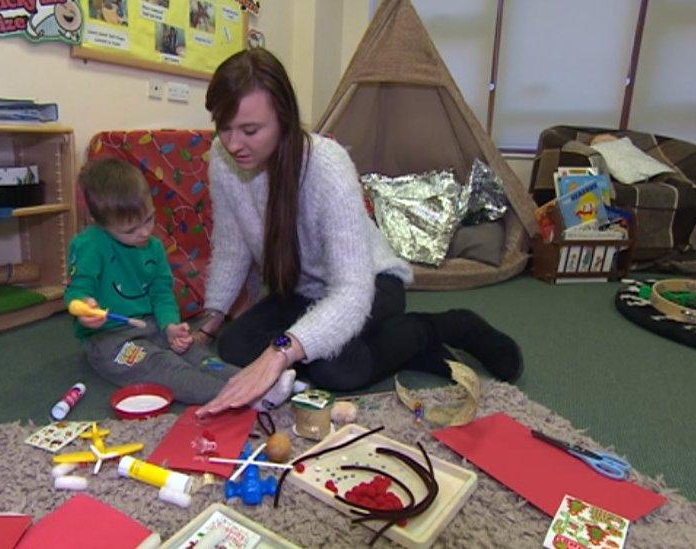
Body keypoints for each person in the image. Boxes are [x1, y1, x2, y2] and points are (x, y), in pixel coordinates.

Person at [194, 48, 523, 417]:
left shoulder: (326, 165)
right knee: (234, 345)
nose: (234, 143)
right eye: (224, 128)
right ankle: (348, 340)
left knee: (335, 367)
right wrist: (209, 322)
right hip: (304, 291)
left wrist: (281, 351)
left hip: (372, 283)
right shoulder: (222, 161)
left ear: (284, 118)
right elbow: (232, 247)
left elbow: (352, 291)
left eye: (250, 130)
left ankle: (434, 329)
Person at [65, 157, 296, 407]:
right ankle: (246, 398)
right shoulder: (88, 245)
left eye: (149, 220)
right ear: (101, 224)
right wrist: (83, 306)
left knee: (197, 355)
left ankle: (262, 382)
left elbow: (161, 293)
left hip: (151, 326)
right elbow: (77, 290)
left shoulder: (152, 247)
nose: (144, 232)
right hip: (109, 340)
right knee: (165, 367)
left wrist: (171, 326)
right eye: (130, 230)